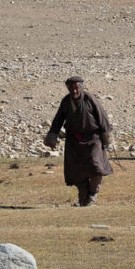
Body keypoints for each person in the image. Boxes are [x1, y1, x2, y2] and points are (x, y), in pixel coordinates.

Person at [43, 76, 113, 206]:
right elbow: (58, 119)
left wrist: (106, 136)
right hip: (74, 141)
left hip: (93, 139)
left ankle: (92, 194)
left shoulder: (90, 98)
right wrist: (52, 136)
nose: (74, 91)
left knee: (96, 167)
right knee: (77, 172)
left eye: (76, 88)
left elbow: (102, 116)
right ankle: (84, 201)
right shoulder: (66, 101)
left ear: (81, 87)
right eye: (71, 88)